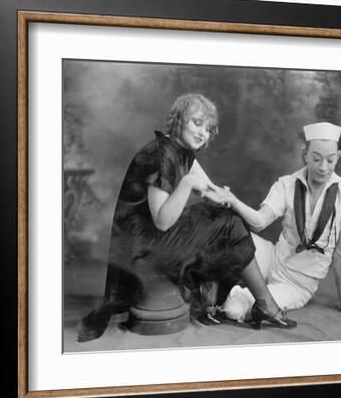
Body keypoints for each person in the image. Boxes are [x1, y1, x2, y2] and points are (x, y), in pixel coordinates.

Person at [78, 93, 296, 342]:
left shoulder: (180, 151)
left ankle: (228, 301)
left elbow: (213, 191)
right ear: (179, 119)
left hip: (152, 239)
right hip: (139, 250)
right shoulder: (160, 155)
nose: (203, 132)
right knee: (227, 223)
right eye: (197, 122)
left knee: (224, 217)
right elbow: (162, 221)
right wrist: (190, 183)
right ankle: (262, 303)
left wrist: (232, 201)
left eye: (208, 128)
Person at [207, 122, 341, 321]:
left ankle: (230, 294)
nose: (323, 167)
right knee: (229, 236)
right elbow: (259, 222)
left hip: (297, 284)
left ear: (338, 156)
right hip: (273, 257)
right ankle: (210, 286)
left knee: (234, 310)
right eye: (316, 159)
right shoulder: (287, 184)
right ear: (305, 155)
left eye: (330, 160)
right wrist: (232, 200)